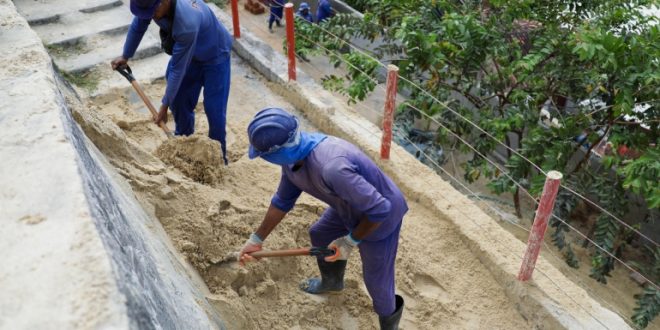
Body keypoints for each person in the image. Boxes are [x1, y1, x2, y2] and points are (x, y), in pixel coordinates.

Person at [239, 108, 407, 329]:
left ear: (278, 152)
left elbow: (380, 209)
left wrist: (350, 241)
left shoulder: (332, 168)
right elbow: (282, 200)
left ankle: (389, 325)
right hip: (347, 204)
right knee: (320, 233)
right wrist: (257, 238)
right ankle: (332, 281)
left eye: (265, 155)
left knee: (377, 281)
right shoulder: (292, 161)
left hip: (379, 217)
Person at [111, 0, 232, 165]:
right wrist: (126, 55)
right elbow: (139, 26)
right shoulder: (151, 6)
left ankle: (218, 159)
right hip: (190, 55)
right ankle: (184, 141)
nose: (151, 16)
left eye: (154, 11)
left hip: (215, 56)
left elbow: (178, 69)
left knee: (214, 110)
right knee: (179, 99)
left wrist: (163, 106)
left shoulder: (186, 21)